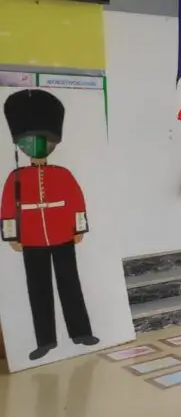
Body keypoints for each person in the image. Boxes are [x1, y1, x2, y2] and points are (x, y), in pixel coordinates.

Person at [1, 88, 99, 361]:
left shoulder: (62, 174)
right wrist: (12, 236)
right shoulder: (16, 177)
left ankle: (80, 332)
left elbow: (76, 201)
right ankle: (45, 340)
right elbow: (7, 208)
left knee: (70, 284)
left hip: (63, 236)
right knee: (38, 288)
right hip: (31, 240)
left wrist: (78, 229)